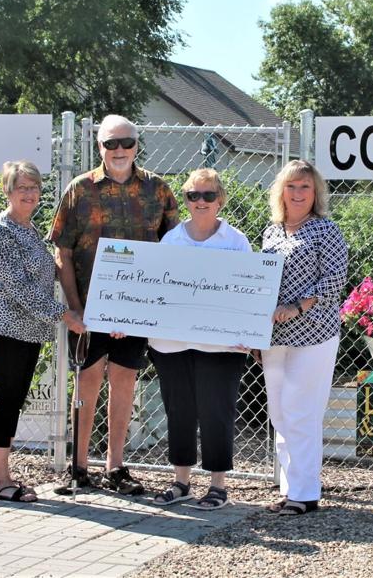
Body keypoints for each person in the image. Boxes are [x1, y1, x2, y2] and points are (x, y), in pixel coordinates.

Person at [50, 115, 179, 495]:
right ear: (99, 147)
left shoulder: (158, 190)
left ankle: (116, 467)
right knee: (87, 383)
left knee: (124, 383)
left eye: (126, 142)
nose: (119, 150)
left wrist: (151, 307)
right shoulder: (79, 190)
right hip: (88, 311)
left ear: (137, 144)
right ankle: (78, 468)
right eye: (111, 144)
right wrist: (76, 311)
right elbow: (63, 251)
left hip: (136, 312)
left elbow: (175, 251)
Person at [0, 160, 86, 503]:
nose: (29, 194)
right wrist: (65, 315)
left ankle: (4, 476)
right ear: (8, 191)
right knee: (5, 399)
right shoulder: (1, 231)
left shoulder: (28, 230)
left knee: (13, 399)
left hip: (28, 329)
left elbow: (47, 274)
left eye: (34, 188)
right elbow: (19, 288)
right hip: (6, 325)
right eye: (22, 187)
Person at [145, 169, 252, 510]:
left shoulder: (236, 241)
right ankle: (181, 482)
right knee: (179, 411)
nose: (201, 202)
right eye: (193, 195)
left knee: (216, 411)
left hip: (222, 346)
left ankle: (218, 486)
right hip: (171, 344)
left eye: (208, 195)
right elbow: (155, 291)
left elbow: (250, 292)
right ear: (186, 200)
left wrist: (247, 333)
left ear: (220, 199)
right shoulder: (172, 240)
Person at [259, 159, 349, 516]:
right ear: (281, 190)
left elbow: (334, 280)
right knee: (280, 413)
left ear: (316, 194)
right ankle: (290, 489)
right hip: (275, 336)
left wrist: (298, 306)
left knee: (302, 411)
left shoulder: (326, 231)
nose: (298, 193)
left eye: (305, 187)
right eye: (292, 186)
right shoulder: (272, 232)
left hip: (314, 333)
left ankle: (306, 494)